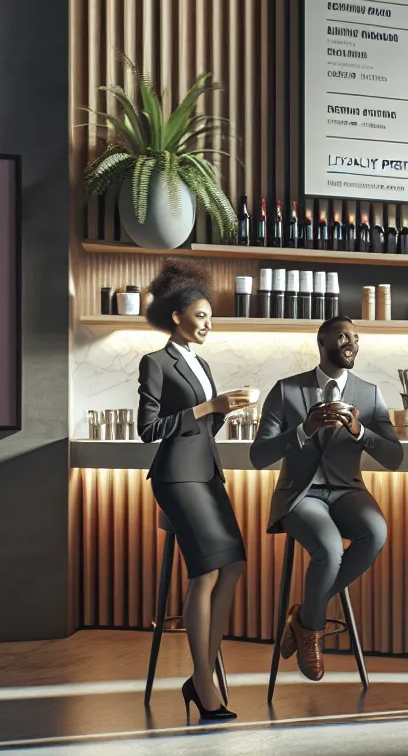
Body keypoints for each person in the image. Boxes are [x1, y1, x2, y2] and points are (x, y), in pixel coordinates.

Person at [251, 316, 405, 681]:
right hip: (301, 495)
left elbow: (394, 457)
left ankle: (304, 618)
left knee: (376, 532)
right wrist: (304, 430)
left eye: (355, 337)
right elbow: (258, 456)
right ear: (322, 343)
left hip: (348, 490)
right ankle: (312, 636)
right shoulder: (287, 390)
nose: (351, 342)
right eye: (342, 336)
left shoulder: (368, 393)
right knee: (330, 547)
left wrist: (360, 430)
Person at [136, 260, 257, 722]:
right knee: (206, 574)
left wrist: (228, 409)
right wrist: (211, 404)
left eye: (209, 316)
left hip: (208, 473)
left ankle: (201, 673)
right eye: (201, 315)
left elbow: (206, 424)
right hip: (176, 478)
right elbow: (149, 429)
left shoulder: (201, 363)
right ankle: (204, 685)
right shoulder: (156, 362)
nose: (208, 323)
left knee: (235, 567)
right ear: (176, 317)